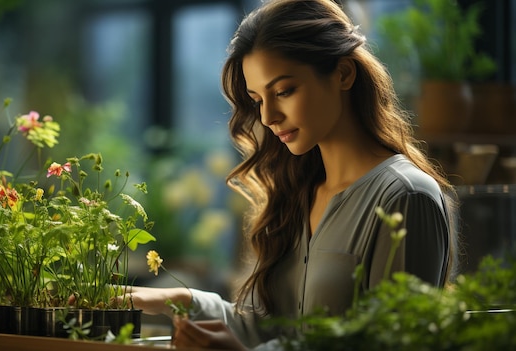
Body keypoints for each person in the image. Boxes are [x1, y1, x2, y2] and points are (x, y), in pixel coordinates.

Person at [123, 0, 458, 349]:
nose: (268, 116)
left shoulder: (406, 197)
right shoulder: (294, 194)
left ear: (343, 74)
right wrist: (176, 300)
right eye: (257, 99)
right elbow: (260, 328)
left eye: (284, 91)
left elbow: (390, 344)